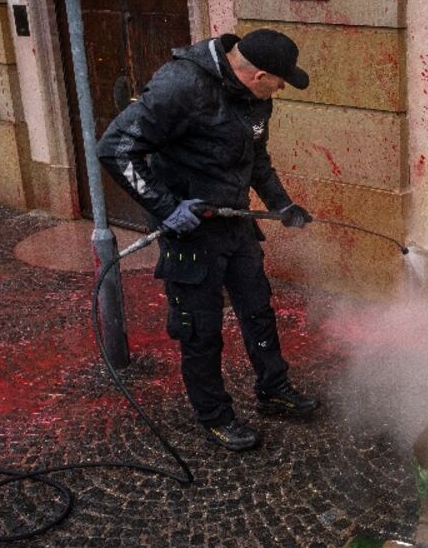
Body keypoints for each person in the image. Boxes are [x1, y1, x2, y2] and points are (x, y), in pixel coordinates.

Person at [97, 29, 318, 452]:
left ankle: (273, 389)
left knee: (258, 310)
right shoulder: (180, 86)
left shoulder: (256, 100)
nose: (281, 89)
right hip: (190, 229)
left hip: (234, 223)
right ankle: (214, 415)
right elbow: (115, 148)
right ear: (258, 76)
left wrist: (281, 204)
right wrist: (166, 208)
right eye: (279, 81)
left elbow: (257, 158)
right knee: (201, 328)